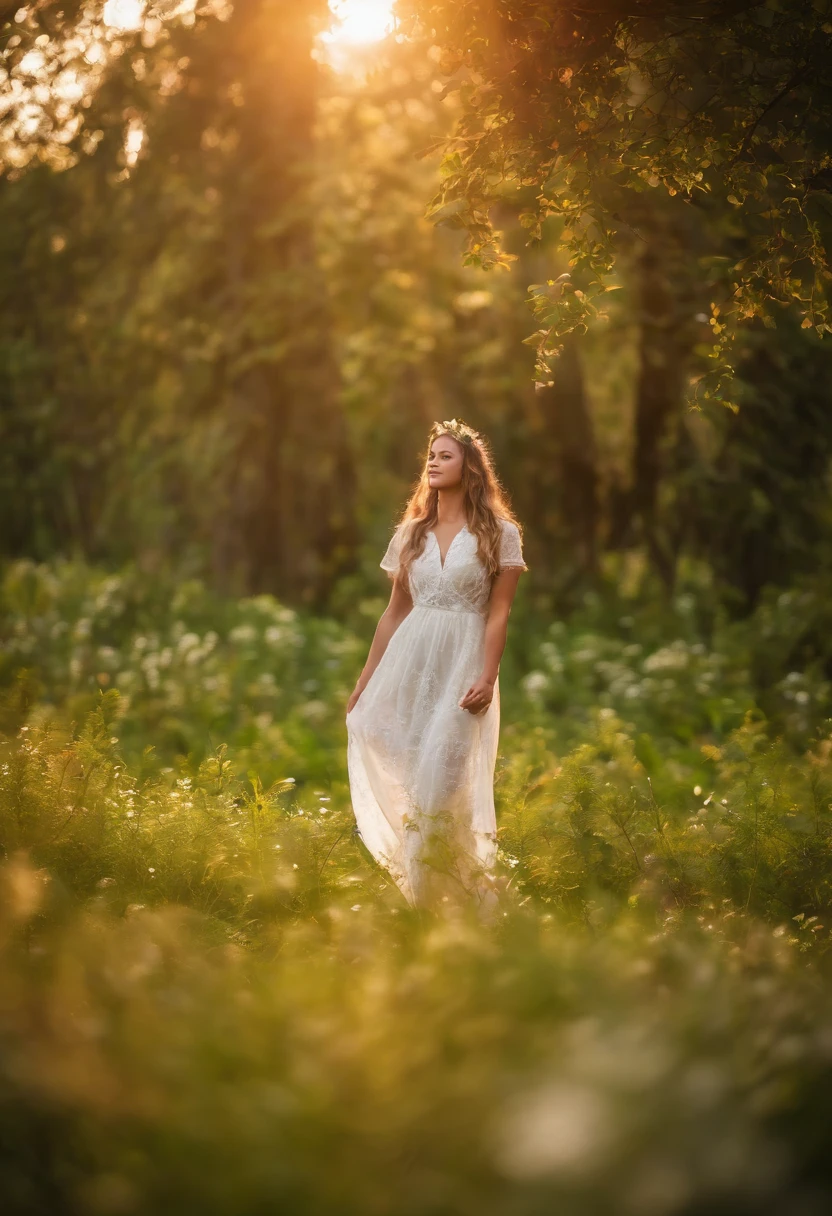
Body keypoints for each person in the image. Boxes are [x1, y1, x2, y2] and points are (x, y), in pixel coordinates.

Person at [345, 417, 527, 913]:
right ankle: (428, 909)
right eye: (430, 454)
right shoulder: (411, 533)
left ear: (470, 467)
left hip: (464, 667)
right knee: (385, 743)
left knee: (444, 781)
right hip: (411, 662)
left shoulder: (500, 533)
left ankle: (462, 901)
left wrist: (487, 676)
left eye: (445, 455)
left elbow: (500, 612)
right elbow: (393, 613)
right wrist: (365, 681)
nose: (433, 462)